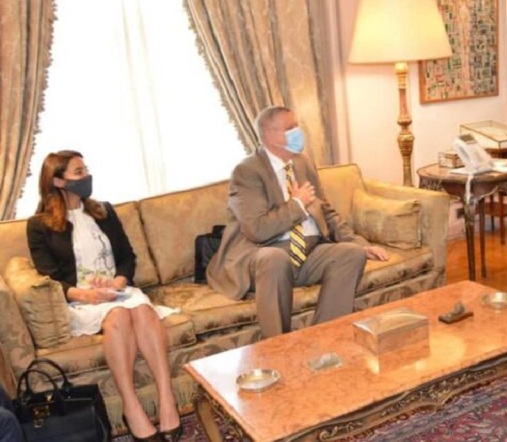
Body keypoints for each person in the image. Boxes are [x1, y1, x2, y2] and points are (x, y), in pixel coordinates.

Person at [27, 151, 182, 442]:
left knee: (144, 312)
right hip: (81, 299)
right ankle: (131, 407)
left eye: (86, 169)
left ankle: (167, 400)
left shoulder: (104, 211)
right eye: (78, 172)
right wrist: (85, 294)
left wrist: (118, 282)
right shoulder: (39, 225)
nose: (86, 176)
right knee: (119, 317)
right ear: (58, 181)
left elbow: (127, 257)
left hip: (119, 291)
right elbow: (49, 276)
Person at [206, 106, 390, 338]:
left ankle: (325, 339)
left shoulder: (303, 163)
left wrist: (359, 243)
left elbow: (326, 211)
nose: (298, 132)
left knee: (351, 254)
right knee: (275, 259)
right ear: (269, 134)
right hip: (264, 253)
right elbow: (257, 230)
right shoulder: (247, 171)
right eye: (290, 128)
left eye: (297, 125)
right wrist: (297, 205)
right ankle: (278, 346)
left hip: (308, 250)